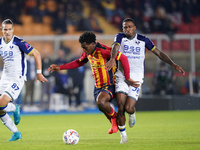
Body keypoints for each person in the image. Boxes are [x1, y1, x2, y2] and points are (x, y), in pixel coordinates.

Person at [106, 18, 185, 143]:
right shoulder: (120, 37)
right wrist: (112, 58)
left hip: (136, 78)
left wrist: (173, 64)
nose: (127, 29)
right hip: (122, 77)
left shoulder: (143, 40)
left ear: (135, 27)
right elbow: (115, 47)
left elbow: (158, 53)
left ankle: (132, 113)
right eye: (125, 27)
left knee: (128, 108)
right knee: (120, 106)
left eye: (129, 27)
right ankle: (123, 136)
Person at [48, 31, 139, 135]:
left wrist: (127, 77)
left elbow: (123, 57)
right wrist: (60, 67)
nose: (84, 50)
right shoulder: (87, 53)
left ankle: (115, 118)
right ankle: (113, 122)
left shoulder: (104, 50)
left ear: (93, 44)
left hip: (110, 84)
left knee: (101, 102)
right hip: (98, 86)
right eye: (82, 48)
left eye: (85, 47)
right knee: (100, 106)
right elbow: (79, 62)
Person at [0, 19, 47, 141]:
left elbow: (37, 54)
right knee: (0, 109)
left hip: (17, 78)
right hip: (4, 78)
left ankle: (15, 108)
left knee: (1, 103)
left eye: (10, 29)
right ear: (2, 30)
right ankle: (16, 133)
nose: (7, 32)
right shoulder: (0, 43)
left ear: (13, 30)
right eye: (5, 29)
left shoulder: (18, 42)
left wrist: (39, 73)